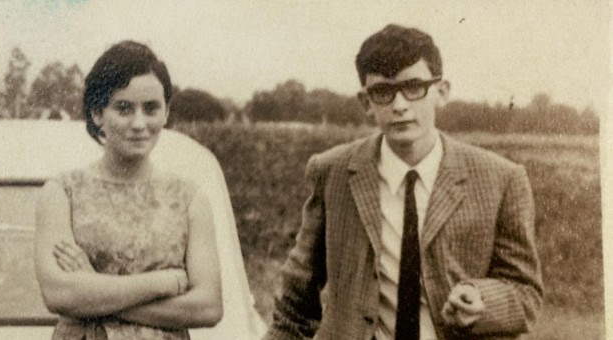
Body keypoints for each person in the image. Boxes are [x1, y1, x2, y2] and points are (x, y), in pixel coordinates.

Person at [265, 24, 543, 340]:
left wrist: (483, 299)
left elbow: (526, 294)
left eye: (414, 87)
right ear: (366, 102)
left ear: (442, 91)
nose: (399, 106)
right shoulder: (333, 172)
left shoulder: (501, 179)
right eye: (383, 92)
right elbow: (293, 307)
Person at [34, 40, 224, 339]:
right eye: (123, 108)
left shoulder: (189, 199)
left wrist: (93, 290)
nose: (139, 123)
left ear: (166, 112)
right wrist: (162, 283)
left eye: (151, 108)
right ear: (98, 114)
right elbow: (59, 294)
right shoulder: (62, 193)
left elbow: (208, 307)